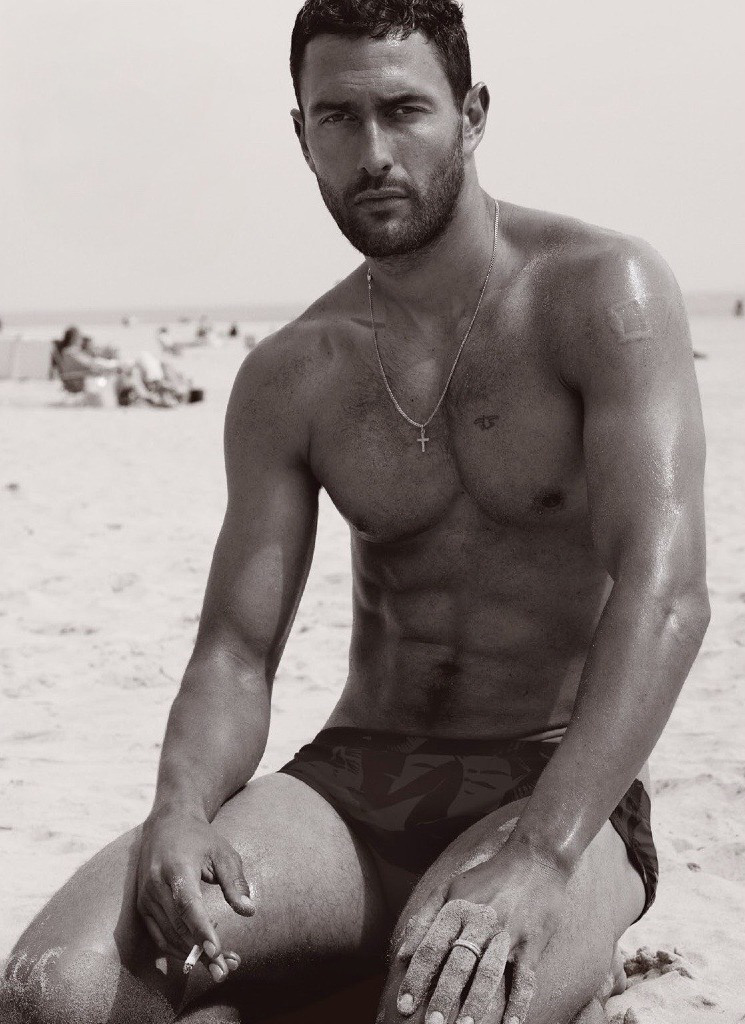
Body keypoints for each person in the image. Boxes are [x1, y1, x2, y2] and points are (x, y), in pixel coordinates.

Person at [1, 3, 709, 1023]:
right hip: (351, 784)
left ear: (471, 114)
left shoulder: (600, 295)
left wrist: (542, 856)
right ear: (302, 134)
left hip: (551, 782)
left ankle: (556, 951)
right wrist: (181, 809)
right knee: (54, 992)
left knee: (440, 1005)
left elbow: (666, 592)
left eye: (404, 110)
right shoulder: (292, 372)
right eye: (337, 117)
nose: (372, 152)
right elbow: (235, 653)